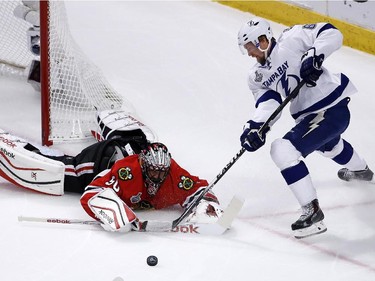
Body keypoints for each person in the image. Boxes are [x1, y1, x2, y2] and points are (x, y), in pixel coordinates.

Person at [237, 17, 373, 238]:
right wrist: (255, 128)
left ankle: (312, 213)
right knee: (330, 146)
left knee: (283, 149)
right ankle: (362, 171)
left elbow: (331, 33)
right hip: (313, 117)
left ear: (262, 40)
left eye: (251, 47)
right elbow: (268, 104)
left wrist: (314, 55)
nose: (250, 53)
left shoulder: (291, 39)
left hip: (331, 108)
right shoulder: (256, 76)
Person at [0, 110, 223, 232]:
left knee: (140, 143)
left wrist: (208, 205)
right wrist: (116, 213)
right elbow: (91, 192)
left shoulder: (172, 173)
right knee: (65, 174)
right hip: (103, 160)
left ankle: (127, 135)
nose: (158, 176)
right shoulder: (127, 173)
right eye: (153, 171)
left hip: (134, 151)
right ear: (144, 166)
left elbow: (200, 189)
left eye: (161, 172)